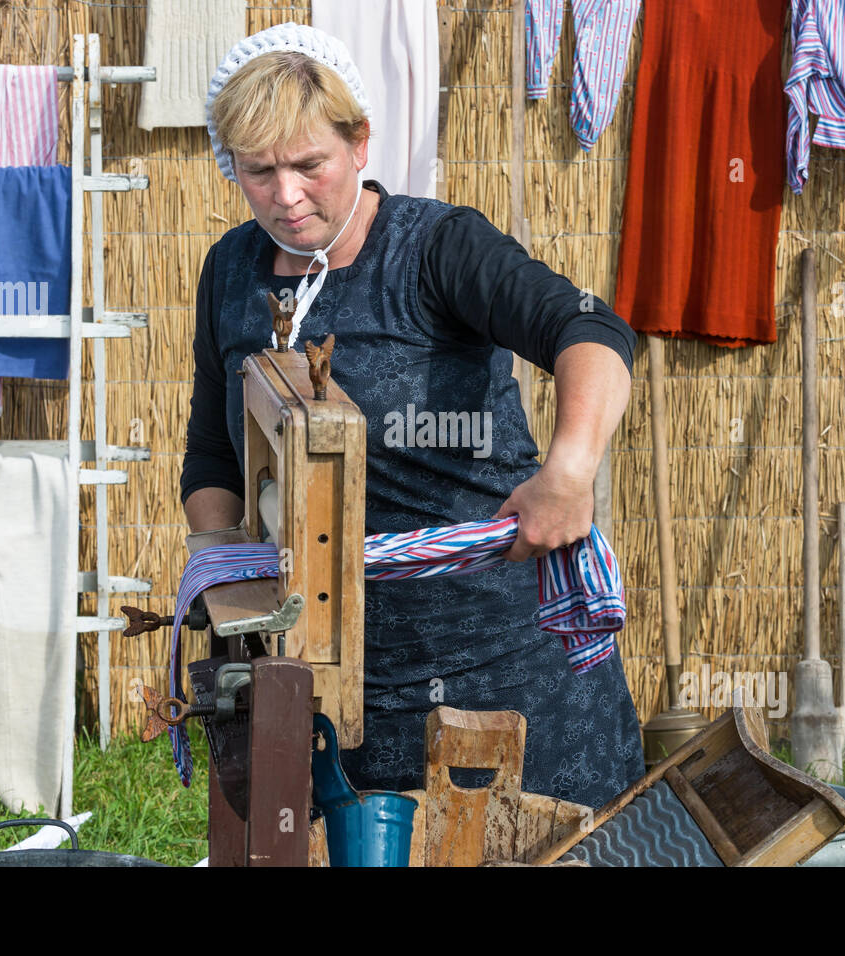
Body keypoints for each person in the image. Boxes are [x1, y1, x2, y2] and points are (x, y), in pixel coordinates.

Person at [182, 23, 644, 808]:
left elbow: (590, 330)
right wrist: (223, 565)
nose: (286, 197)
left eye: (308, 165)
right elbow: (212, 452)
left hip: (504, 676)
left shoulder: (437, 249)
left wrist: (568, 473)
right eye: (258, 172)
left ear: (359, 142)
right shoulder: (231, 269)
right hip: (329, 682)